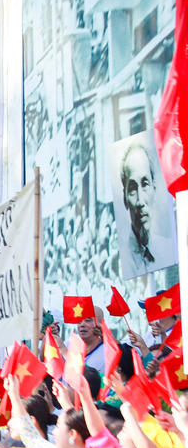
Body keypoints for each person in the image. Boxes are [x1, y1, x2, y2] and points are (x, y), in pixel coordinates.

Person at [118, 144, 174, 276]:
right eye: (132, 189)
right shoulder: (121, 263)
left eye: (145, 184)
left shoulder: (170, 250)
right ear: (125, 199)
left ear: (154, 189)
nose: (140, 202)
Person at [76, 306, 108, 374]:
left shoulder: (107, 352)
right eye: (79, 320)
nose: (82, 324)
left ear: (101, 324)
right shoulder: (70, 347)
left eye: (88, 320)